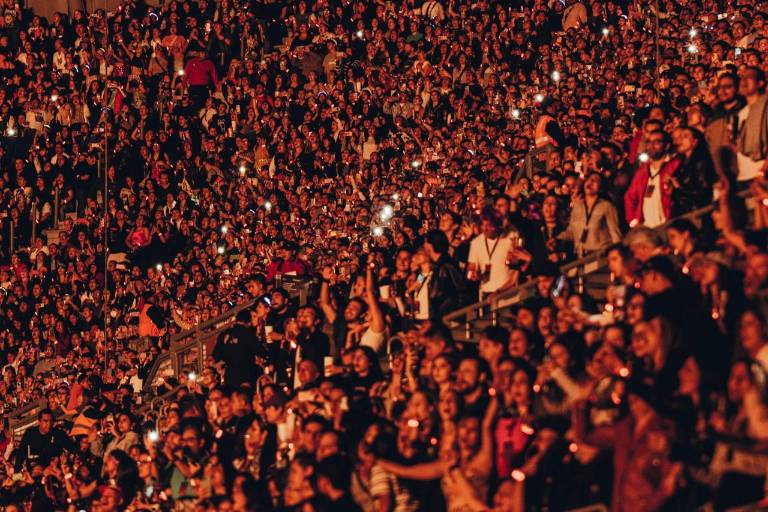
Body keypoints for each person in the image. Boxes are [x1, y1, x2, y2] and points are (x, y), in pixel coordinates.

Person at [625, 130, 681, 228]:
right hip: (646, 228)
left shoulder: (675, 165)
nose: (651, 145)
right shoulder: (643, 170)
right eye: (649, 142)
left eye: (657, 142)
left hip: (668, 226)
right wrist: (633, 221)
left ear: (667, 145)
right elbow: (630, 197)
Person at [213, 309, 265, 388]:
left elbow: (216, 355)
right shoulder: (247, 333)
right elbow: (261, 351)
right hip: (246, 375)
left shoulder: (224, 334)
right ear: (249, 321)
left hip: (229, 376)